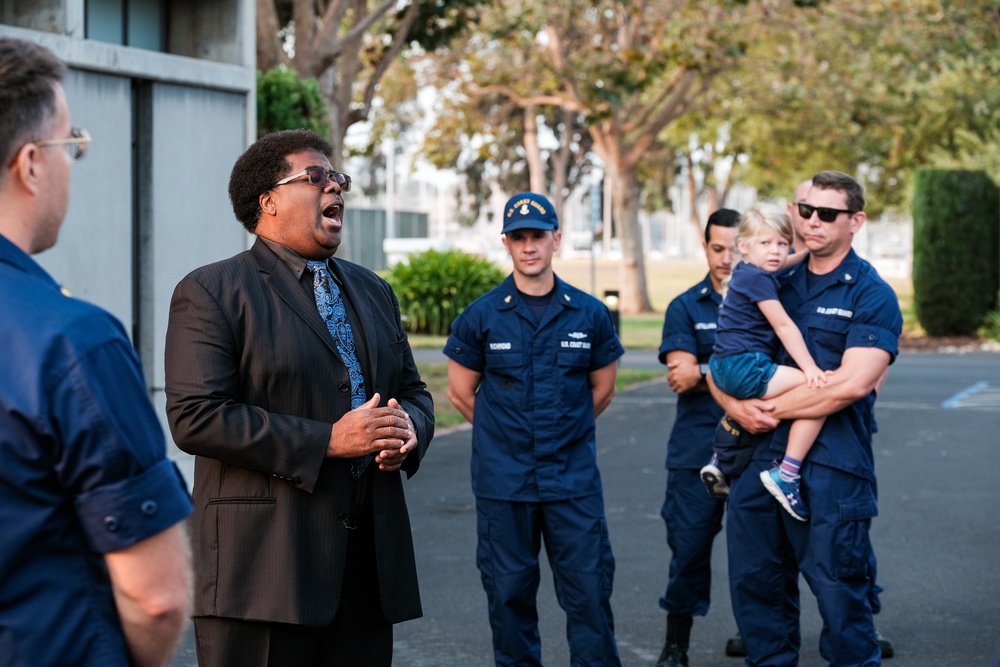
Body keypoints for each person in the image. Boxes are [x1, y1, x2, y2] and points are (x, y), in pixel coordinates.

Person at [164, 129, 434, 666]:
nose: (335, 186)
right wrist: (328, 441)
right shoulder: (212, 291)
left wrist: (411, 431)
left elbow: (413, 391)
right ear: (267, 202)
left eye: (338, 178)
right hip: (264, 574)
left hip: (365, 574)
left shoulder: (374, 289)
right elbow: (196, 417)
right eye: (316, 177)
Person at [0, 37, 193, 667]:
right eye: (70, 144)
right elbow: (156, 597)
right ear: (30, 163)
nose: (71, 164)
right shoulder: (73, 342)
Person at [710, 170, 902, 666]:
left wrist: (765, 410)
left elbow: (852, 384)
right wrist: (733, 405)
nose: (812, 222)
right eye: (806, 211)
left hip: (833, 471)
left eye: (828, 214)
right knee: (759, 600)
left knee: (842, 604)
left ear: (855, 221)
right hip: (757, 467)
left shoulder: (870, 293)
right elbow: (725, 360)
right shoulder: (770, 275)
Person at [445, 192, 625, 666]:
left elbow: (602, 389)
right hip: (505, 483)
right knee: (509, 598)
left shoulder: (589, 313)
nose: (529, 247)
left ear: (556, 240)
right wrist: (506, 439)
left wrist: (563, 433)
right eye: (519, 237)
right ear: (506, 243)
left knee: (588, 594)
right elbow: (461, 393)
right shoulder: (482, 316)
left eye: (538, 236)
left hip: (572, 482)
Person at [702, 204, 828, 522]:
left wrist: (804, 253)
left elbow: (785, 262)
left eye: (782, 244)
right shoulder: (759, 280)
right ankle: (787, 472)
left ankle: (721, 457)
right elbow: (784, 326)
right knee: (821, 396)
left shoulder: (746, 271)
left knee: (754, 407)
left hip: (723, 365)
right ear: (743, 246)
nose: (776, 251)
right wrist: (810, 369)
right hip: (746, 367)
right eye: (766, 243)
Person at [653, 208, 740, 667]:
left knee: (762, 552)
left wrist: (705, 369)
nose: (727, 258)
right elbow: (681, 378)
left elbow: (697, 371)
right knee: (687, 549)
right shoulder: (685, 306)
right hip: (695, 449)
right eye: (718, 248)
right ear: (705, 247)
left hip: (754, 449)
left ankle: (757, 632)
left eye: (735, 247)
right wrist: (743, 370)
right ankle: (676, 643)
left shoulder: (768, 302)